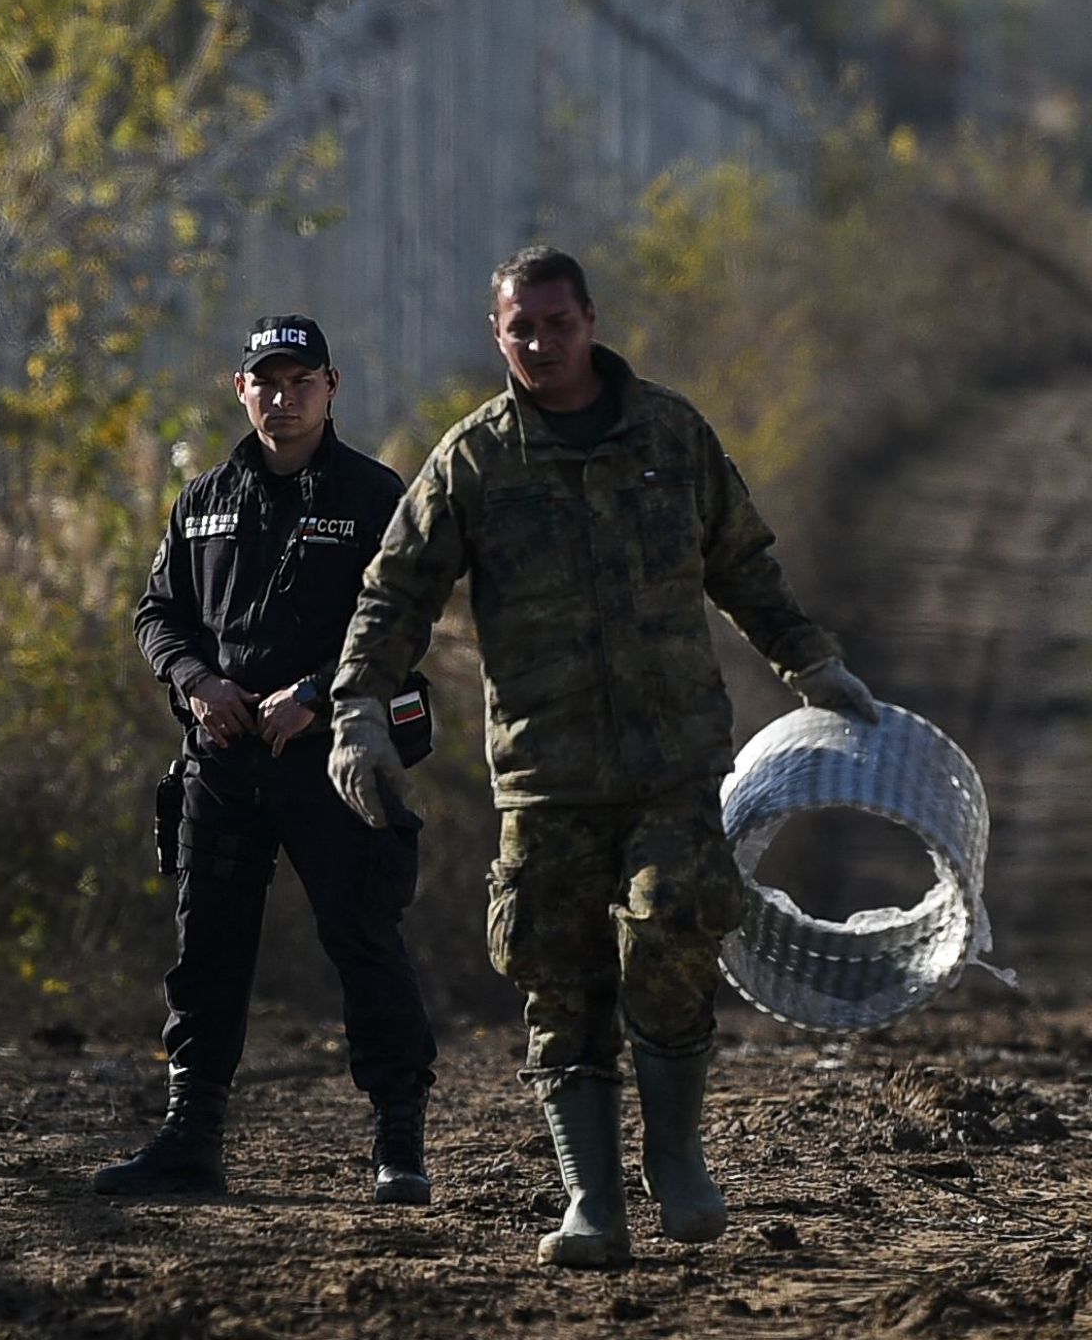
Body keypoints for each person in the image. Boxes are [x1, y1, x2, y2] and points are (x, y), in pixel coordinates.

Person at [327, 247, 877, 1267]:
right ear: (499, 336)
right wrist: (358, 708)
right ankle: (592, 1202)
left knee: (672, 928)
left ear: (591, 320)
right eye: (520, 329)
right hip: (547, 771)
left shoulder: (671, 434)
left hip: (673, 756)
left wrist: (811, 663)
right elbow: (395, 593)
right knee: (559, 979)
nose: (541, 343)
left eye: (557, 323)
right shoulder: (475, 462)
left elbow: (741, 561)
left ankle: (677, 1165)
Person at [96, 315, 437, 1204]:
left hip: (336, 760)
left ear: (331, 386)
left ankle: (399, 1143)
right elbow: (157, 614)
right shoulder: (204, 497)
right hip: (224, 759)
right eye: (266, 383)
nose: (282, 401)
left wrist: (318, 692)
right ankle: (189, 1139)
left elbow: (403, 620)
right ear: (239, 389)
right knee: (205, 950)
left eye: (300, 383)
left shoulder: (372, 495)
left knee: (364, 940)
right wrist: (198, 683)